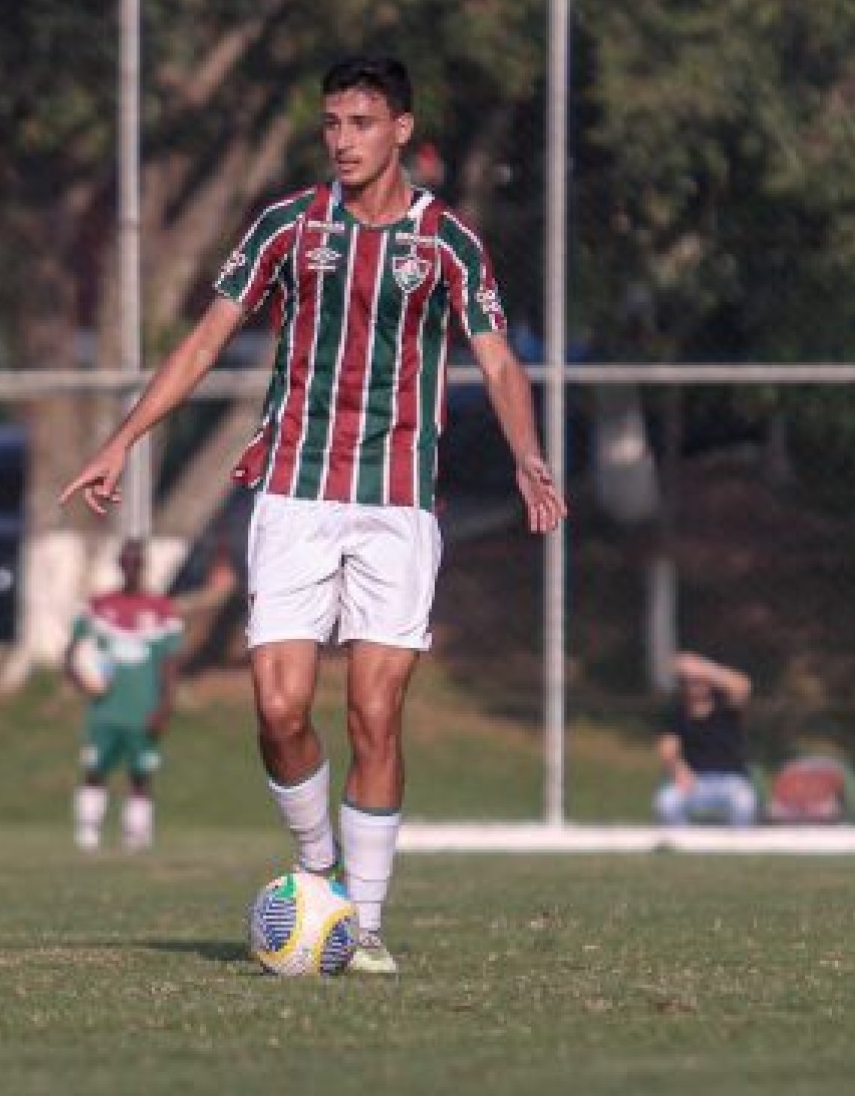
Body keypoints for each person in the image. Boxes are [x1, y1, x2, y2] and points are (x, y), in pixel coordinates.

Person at [60, 56, 566, 975]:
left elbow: (497, 364)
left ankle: (362, 925)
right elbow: (207, 338)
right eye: (332, 123)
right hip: (292, 490)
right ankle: (317, 869)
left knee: (375, 712)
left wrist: (529, 451)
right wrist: (122, 439)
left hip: (396, 505)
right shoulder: (287, 227)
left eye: (362, 122)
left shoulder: (448, 244)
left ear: (401, 129)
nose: (343, 139)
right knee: (280, 706)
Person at [65, 538, 184, 853]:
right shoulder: (98, 607)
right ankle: (87, 833)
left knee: (140, 775)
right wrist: (81, 677)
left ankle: (136, 836)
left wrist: (165, 706)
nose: (131, 567)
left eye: (137, 561)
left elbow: (171, 665)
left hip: (143, 708)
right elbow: (73, 654)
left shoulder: (162, 610)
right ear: (119, 564)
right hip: (105, 709)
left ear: (143, 565)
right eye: (126, 561)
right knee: (94, 770)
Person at [654, 651, 757, 828]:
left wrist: (703, 667)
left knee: (744, 804)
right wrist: (679, 770)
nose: (696, 686)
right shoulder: (676, 712)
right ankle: (684, 847)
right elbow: (667, 748)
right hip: (694, 781)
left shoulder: (726, 707)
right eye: (690, 682)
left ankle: (737, 848)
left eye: (701, 681)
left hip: (730, 780)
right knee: (666, 803)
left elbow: (743, 686)